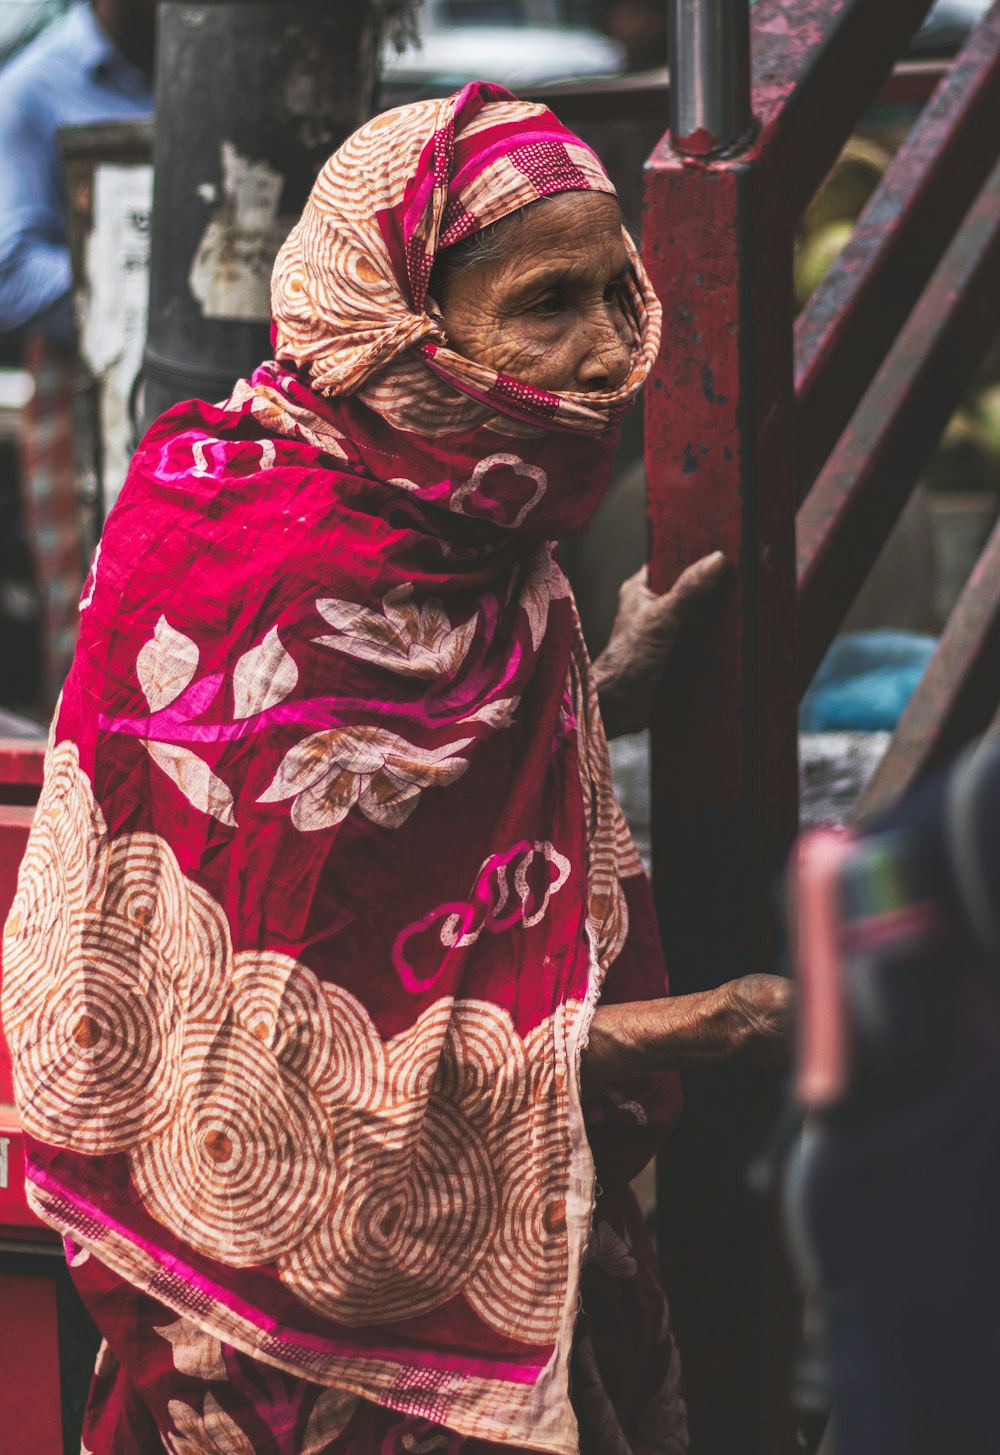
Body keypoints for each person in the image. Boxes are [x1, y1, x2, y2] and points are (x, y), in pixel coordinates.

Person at [1, 84, 792, 1455]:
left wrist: (608, 684)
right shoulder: (237, 555)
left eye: (622, 293)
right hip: (275, 1325)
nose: (610, 352)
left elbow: (382, 823)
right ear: (387, 314)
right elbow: (279, 1051)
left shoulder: (482, 546)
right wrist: (703, 1023)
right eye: (547, 304)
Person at [0, 0, 154, 709]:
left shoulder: (212, 71)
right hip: (82, 387)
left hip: (207, 385)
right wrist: (126, 281)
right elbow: (9, 272)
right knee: (91, 632)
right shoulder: (36, 86)